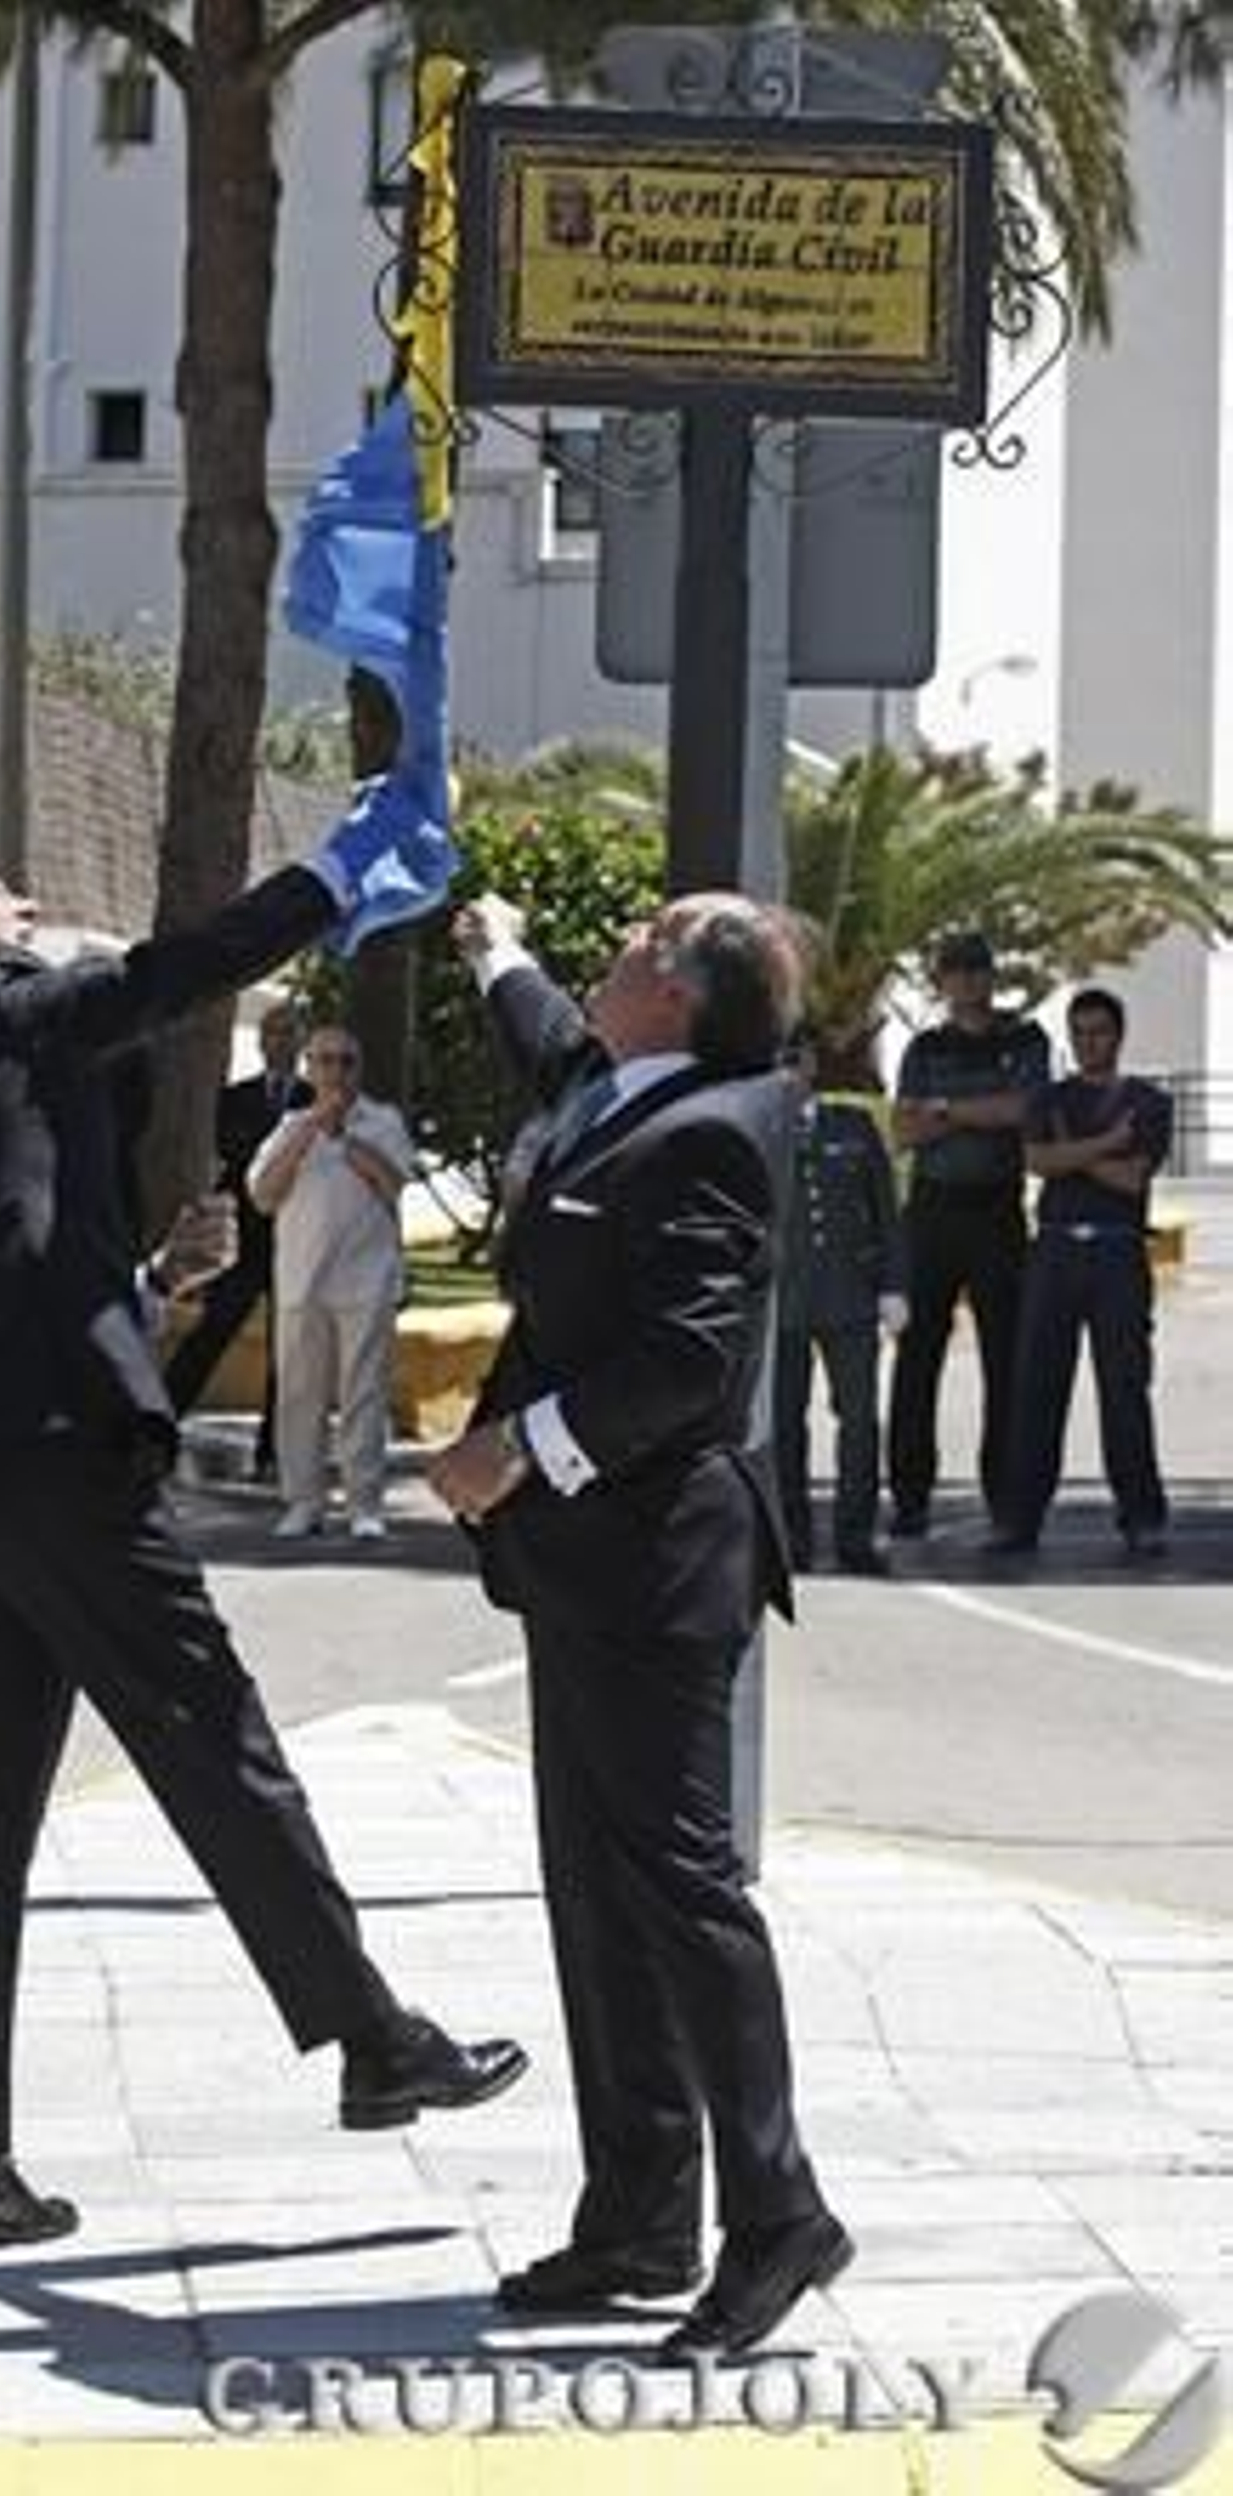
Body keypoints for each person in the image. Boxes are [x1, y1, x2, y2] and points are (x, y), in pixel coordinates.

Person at [0, 841, 525, 2261]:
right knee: (213, 1737)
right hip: (51, 1463)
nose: (27, 912)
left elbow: (9, 1258)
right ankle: (372, 2037)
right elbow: (176, 975)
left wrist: (153, 1287)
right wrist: (333, 878)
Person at [429, 890, 852, 2360]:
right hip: (581, 1567)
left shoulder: (718, 1132)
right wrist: (496, 948)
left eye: (635, 943)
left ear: (676, 993)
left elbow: (687, 1362)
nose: (608, 952)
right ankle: (640, 2212)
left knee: (682, 1890)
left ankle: (779, 2213)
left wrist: (514, 1448)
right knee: (597, 1890)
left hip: (661, 1564)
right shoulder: (628, 1095)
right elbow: (556, 1041)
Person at [995, 988, 1173, 1560]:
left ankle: (1142, 1516)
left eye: (1098, 1031)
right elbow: (1038, 1163)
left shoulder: (1148, 1102)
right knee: (1037, 1389)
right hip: (1054, 1255)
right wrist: (1106, 1146)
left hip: (1117, 1255)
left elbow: (1131, 1181)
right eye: (1079, 1033)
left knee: (1124, 1389)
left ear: (1118, 1036)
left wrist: (1077, 1153)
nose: (1088, 1042)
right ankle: (1020, 1520)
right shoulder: (1049, 1098)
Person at [886, 932, 1050, 1537]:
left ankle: (1005, 1497)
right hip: (932, 1212)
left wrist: (946, 1111)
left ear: (991, 976)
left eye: (976, 970)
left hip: (996, 1212)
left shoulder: (1025, 1038)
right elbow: (903, 1130)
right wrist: (974, 1108)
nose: (966, 981)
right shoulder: (925, 1046)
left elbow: (1025, 1110)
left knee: (1007, 1357)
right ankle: (909, 1494)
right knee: (917, 1357)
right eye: (954, 972)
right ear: (941, 982)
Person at [247, 1026, 413, 1541]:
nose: (335, 1071)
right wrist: (308, 1132)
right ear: (308, 1067)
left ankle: (364, 1504)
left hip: (366, 1277)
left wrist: (343, 1135)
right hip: (300, 1279)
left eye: (345, 1061)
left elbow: (392, 1182)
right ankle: (303, 1503)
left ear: (356, 1069)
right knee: (300, 1395)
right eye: (325, 1061)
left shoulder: (383, 1122)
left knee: (364, 1393)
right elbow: (264, 1194)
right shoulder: (290, 1126)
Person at [775, 1034, 907, 1576]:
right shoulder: (756, 1130)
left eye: (793, 1058)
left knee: (858, 1421)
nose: (786, 1070)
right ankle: (792, 1538)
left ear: (810, 1062)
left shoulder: (851, 1127)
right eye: (774, 1060)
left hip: (850, 1294)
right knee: (784, 1424)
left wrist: (894, 1286)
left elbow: (886, 1212)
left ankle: (856, 1536)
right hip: (783, 1301)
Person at [164, 1001, 311, 1475]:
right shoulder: (234, 1099)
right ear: (262, 1042)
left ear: (301, 1043)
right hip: (245, 1243)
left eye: (289, 1033)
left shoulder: (318, 1102)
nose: (280, 1042)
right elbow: (230, 1158)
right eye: (273, 1033)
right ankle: (158, 1427)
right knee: (209, 1336)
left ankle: (273, 1453)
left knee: (287, 1354)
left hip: (295, 1243)